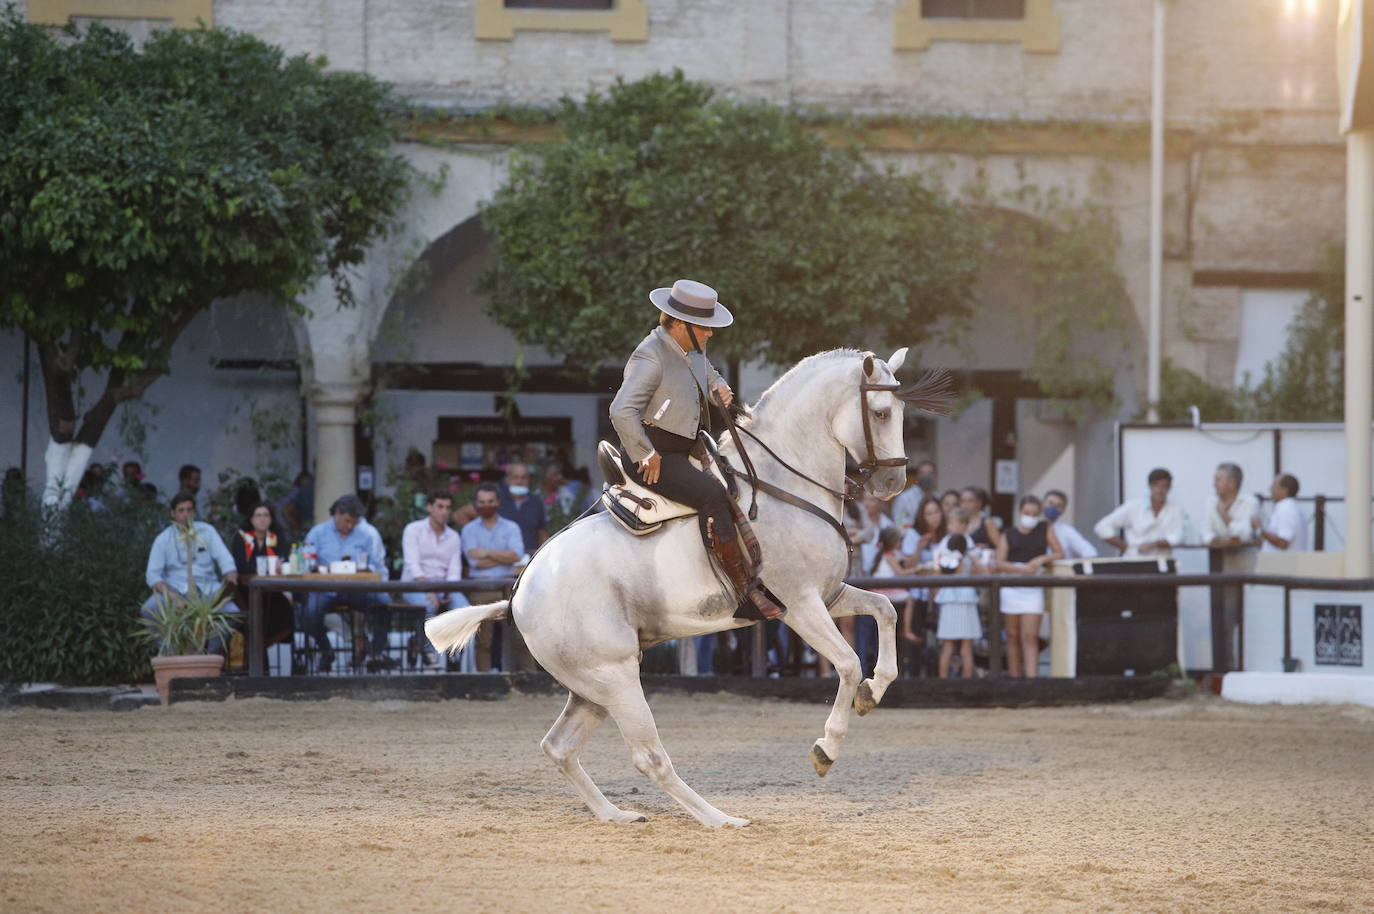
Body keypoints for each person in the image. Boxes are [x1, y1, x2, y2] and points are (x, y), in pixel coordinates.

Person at [608, 278, 783, 619]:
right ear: (679, 324)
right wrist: (645, 453)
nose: (710, 333)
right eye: (704, 327)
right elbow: (620, 410)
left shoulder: (691, 349)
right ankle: (740, 592)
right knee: (712, 496)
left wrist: (720, 386)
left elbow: (708, 371)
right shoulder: (650, 354)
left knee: (739, 482)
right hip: (653, 455)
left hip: (686, 446)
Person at [142, 492, 239, 650]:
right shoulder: (163, 538)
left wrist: (229, 581)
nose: (186, 514)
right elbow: (152, 575)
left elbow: (226, 561)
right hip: (176, 590)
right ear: (173, 513)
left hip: (207, 590)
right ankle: (169, 654)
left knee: (232, 612)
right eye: (181, 510)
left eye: (189, 510)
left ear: (194, 512)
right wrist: (173, 596)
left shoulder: (207, 531)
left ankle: (209, 655)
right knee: (149, 609)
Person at [301, 495, 388, 672]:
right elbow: (306, 563)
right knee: (310, 614)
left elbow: (377, 566)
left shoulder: (365, 534)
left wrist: (361, 569)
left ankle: (376, 653)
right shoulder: (317, 533)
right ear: (338, 514)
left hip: (357, 588)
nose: (350, 526)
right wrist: (322, 568)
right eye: (347, 521)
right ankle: (326, 651)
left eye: (354, 523)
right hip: (326, 588)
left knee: (384, 602)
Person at [458, 483, 526, 672]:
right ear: (475, 504)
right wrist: (503, 557)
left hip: (510, 588)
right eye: (482, 502)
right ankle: (484, 681)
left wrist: (486, 552)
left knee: (521, 638)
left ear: (498, 502)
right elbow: (474, 562)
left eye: (490, 501)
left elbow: (516, 556)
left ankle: (528, 680)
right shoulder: (469, 530)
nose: (486, 505)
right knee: (483, 641)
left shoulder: (511, 527)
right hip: (480, 587)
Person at [997, 494, 1063, 678]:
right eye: (1027, 513)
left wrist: (1042, 558)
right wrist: (1020, 569)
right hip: (1012, 586)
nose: (1030, 517)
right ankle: (1014, 677)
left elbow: (1059, 553)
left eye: (1034, 514)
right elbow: (999, 562)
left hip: (1032, 587)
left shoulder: (1044, 529)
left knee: (1030, 636)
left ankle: (1032, 679)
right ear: (1020, 512)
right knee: (1012, 635)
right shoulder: (1008, 534)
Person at [400, 490, 466, 669]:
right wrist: (428, 590)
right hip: (415, 585)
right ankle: (428, 654)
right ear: (430, 507)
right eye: (440, 507)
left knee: (463, 610)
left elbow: (454, 569)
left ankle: (454, 654)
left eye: (448, 508)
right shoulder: (413, 530)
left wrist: (448, 590)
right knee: (428, 606)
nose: (444, 511)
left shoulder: (453, 536)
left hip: (445, 585)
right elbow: (412, 564)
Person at [228, 501, 294, 665]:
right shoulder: (241, 537)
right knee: (253, 618)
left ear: (271, 519)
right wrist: (266, 565)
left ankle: (263, 656)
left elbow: (283, 560)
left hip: (271, 592)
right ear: (251, 519)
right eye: (258, 515)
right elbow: (240, 565)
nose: (262, 519)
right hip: (245, 592)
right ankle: (258, 663)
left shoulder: (277, 537)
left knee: (284, 610)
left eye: (266, 515)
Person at [933, 508, 983, 679]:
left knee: (962, 646)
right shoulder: (950, 543)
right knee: (953, 646)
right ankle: (944, 684)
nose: (950, 526)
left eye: (953, 523)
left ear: (963, 525)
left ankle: (960, 685)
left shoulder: (968, 545)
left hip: (958, 596)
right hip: (958, 596)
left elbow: (978, 569)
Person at [1093, 468, 1185, 556]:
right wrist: (1125, 548)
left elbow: (1177, 538)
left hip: (1163, 563)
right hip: (1135, 561)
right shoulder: (1133, 507)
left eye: (1164, 486)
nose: (1160, 490)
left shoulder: (1175, 509)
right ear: (1150, 486)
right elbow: (1101, 527)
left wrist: (1153, 545)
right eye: (1157, 485)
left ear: (1170, 487)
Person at [499, 462, 548, 555]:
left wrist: (542, 554)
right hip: (503, 559)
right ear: (508, 479)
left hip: (530, 558)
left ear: (529, 479)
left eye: (523, 477)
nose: (519, 481)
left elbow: (542, 532)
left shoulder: (536, 502)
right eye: (515, 477)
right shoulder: (498, 501)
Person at [1205, 462, 1259, 548]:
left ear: (1232, 483)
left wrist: (1225, 516)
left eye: (1218, 480)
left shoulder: (1250, 502)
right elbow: (1204, 533)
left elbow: (1245, 535)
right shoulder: (1211, 502)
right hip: (1217, 557)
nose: (1214, 484)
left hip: (1244, 559)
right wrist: (1219, 540)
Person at [1253, 473, 1307, 552]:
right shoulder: (1287, 507)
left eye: (1274, 486)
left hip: (1284, 563)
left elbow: (1283, 542)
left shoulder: (1287, 509)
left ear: (1284, 490)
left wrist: (1260, 528)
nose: (1270, 489)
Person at [1042, 489, 1097, 560]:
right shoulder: (1032, 527)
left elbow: (1090, 552)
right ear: (1043, 504)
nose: (1053, 508)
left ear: (1063, 510)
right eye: (1050, 503)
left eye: (1058, 506)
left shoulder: (1067, 531)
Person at [891, 459, 937, 531]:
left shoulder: (937, 497)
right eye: (923, 473)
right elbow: (899, 524)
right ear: (917, 475)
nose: (926, 477)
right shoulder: (904, 498)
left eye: (929, 473)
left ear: (935, 475)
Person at [960, 486, 1004, 559]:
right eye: (962, 501)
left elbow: (1000, 547)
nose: (965, 504)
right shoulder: (957, 521)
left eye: (970, 501)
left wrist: (987, 549)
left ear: (979, 503)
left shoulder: (987, 522)